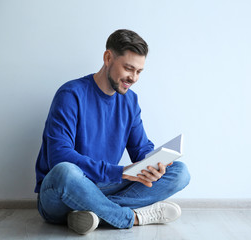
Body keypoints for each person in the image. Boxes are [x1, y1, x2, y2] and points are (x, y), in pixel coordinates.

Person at [34, 29, 190, 235]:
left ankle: (92, 213)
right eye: (128, 68)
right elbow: (59, 156)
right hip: (62, 191)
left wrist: (155, 164)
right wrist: (118, 172)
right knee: (66, 171)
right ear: (108, 58)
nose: (133, 78)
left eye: (139, 71)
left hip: (104, 187)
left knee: (179, 172)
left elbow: (141, 148)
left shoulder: (130, 101)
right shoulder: (71, 94)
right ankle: (130, 217)